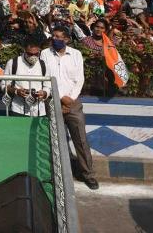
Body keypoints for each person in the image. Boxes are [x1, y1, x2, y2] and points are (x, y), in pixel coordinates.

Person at [41, 26, 98, 190]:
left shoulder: (76, 54)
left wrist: (70, 100)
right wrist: (60, 98)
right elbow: (45, 79)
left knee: (80, 139)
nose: (55, 39)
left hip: (72, 104)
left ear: (66, 39)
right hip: (52, 101)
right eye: (53, 36)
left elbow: (79, 79)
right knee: (52, 139)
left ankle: (88, 174)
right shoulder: (45, 54)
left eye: (58, 36)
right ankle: (52, 174)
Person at [2, 36, 50, 117]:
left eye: (36, 54)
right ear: (24, 50)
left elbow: (48, 86)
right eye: (30, 54)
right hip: (18, 109)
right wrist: (17, 91)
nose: (33, 56)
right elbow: (4, 85)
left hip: (39, 110)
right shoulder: (13, 63)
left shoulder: (44, 65)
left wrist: (44, 93)